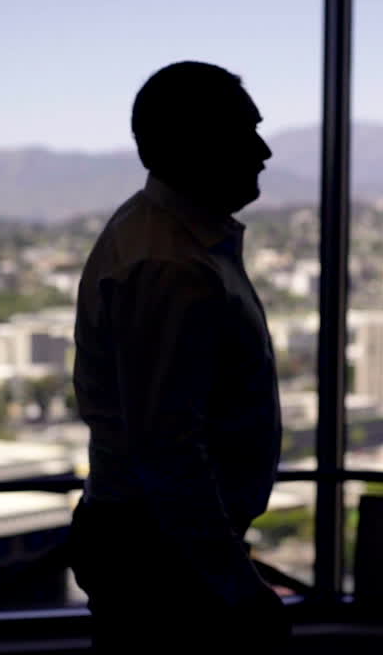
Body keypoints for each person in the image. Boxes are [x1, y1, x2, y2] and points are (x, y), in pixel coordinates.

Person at [65, 61, 290, 654]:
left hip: (157, 544)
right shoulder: (170, 265)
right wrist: (237, 587)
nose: (264, 151)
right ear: (197, 144)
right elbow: (167, 453)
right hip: (160, 555)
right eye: (246, 132)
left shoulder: (159, 237)